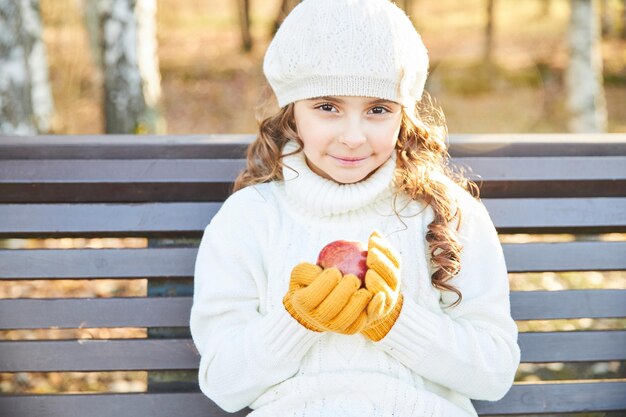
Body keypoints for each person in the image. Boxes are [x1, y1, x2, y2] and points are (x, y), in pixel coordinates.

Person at [190, 0, 521, 416]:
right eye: (327, 107)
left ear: (405, 116)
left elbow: (493, 375)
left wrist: (395, 321)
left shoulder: (448, 213)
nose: (352, 136)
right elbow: (224, 384)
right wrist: (298, 321)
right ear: (292, 112)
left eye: (378, 110)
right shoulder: (249, 219)